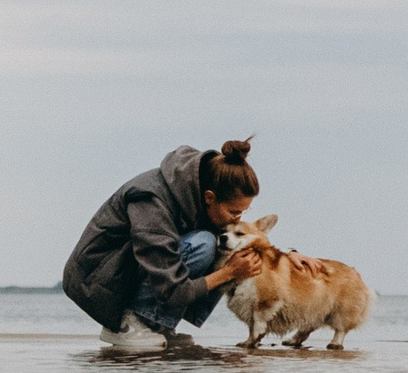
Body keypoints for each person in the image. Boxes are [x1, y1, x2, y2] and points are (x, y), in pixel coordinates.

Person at [63, 138, 268, 351]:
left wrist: (289, 256)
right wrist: (228, 273)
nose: (238, 219)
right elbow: (173, 288)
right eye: (235, 212)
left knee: (219, 243)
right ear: (209, 197)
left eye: (244, 212)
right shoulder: (152, 200)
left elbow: (245, 238)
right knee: (205, 243)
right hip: (95, 279)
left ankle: (158, 326)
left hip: (130, 270)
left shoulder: (196, 190)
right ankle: (128, 323)